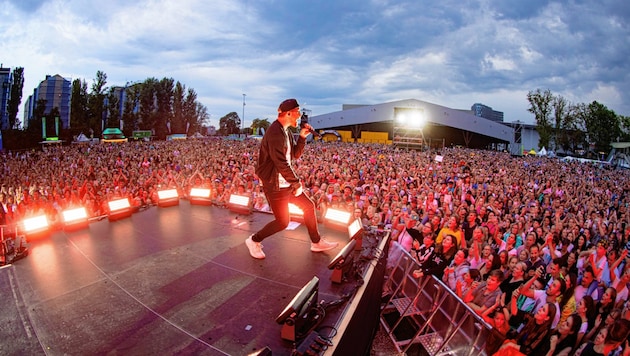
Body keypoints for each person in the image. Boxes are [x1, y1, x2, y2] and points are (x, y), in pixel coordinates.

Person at [245, 98, 338, 259]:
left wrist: (302, 137)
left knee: (308, 206)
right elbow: (280, 162)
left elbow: (294, 154)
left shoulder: (286, 130)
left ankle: (316, 242)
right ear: (288, 113)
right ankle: (253, 240)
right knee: (283, 222)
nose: (299, 116)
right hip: (275, 185)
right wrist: (296, 182)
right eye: (297, 112)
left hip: (285, 182)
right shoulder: (274, 133)